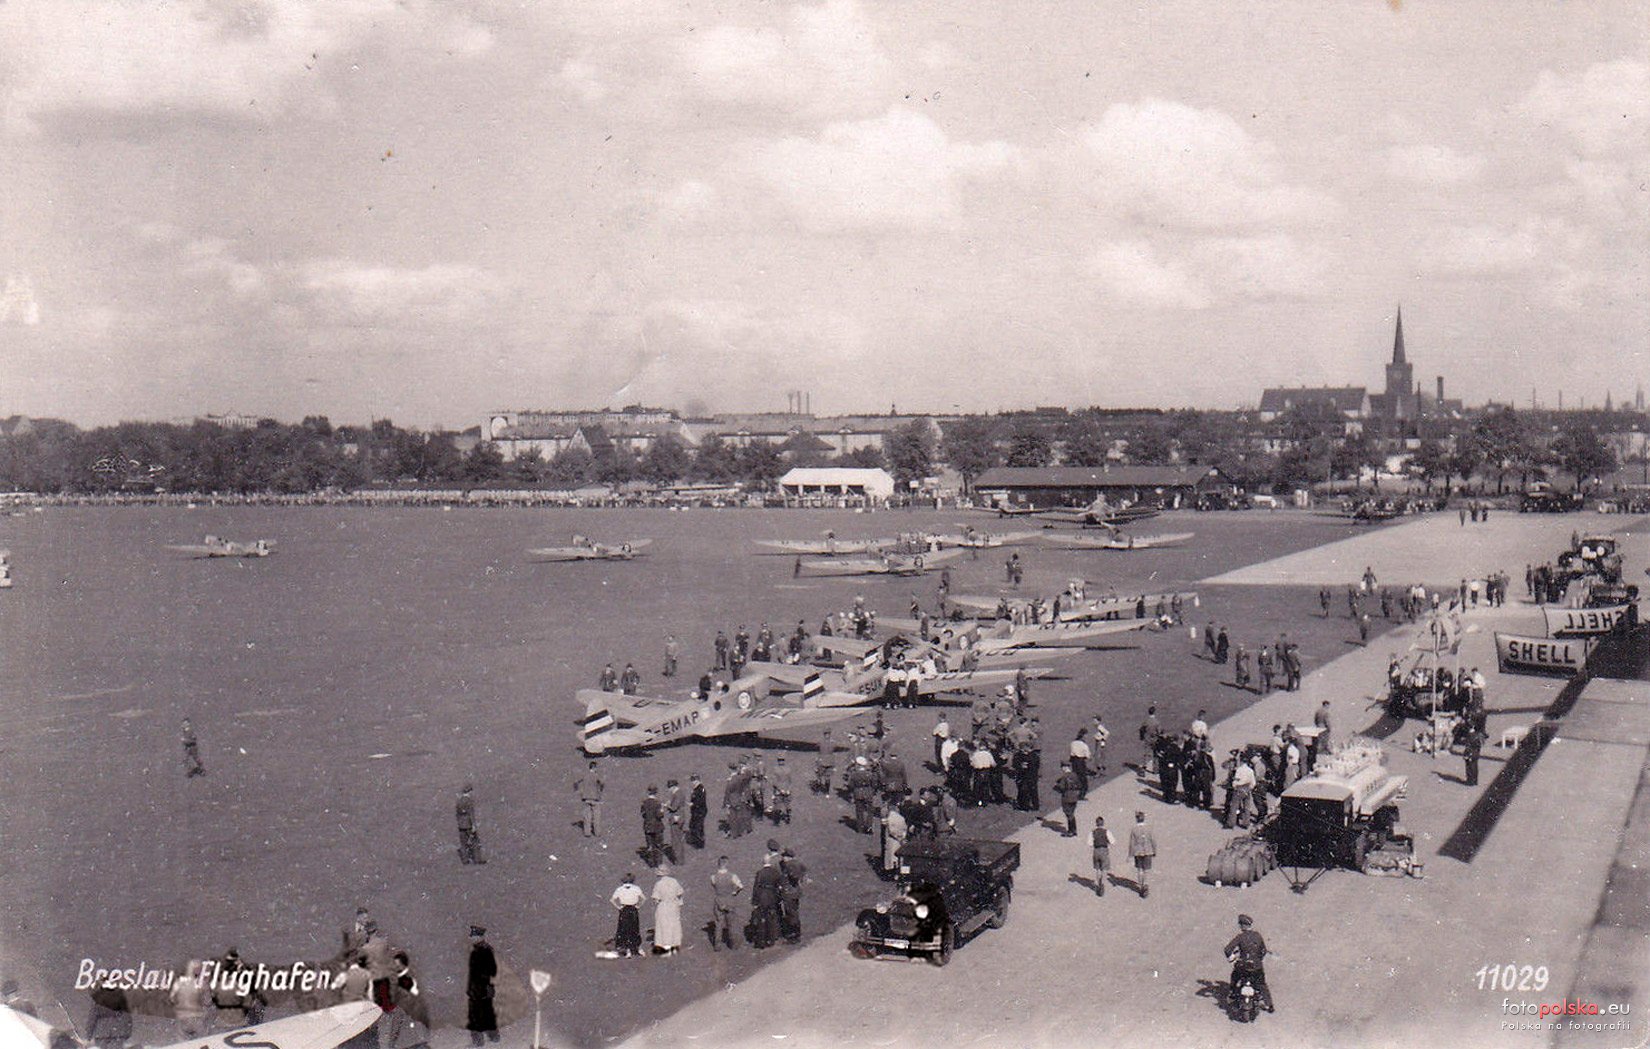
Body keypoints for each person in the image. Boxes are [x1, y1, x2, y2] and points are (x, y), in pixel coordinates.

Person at [1225, 914, 1275, 1014]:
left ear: (1243, 926)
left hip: (1243, 967)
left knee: (1235, 977)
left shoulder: (1240, 937)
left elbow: (1227, 949)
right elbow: (1263, 951)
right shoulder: (1258, 936)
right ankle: (1269, 1005)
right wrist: (1258, 960)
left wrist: (1232, 959)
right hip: (1256, 967)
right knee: (1262, 984)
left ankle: (1232, 994)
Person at [465, 926, 501, 1044]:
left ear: (479, 937)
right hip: (480, 988)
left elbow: (492, 970)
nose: (472, 938)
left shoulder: (484, 950)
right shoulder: (479, 950)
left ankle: (480, 1040)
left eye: (473, 936)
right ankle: (490, 1038)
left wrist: (480, 981)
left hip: (482, 988)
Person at [169, 960, 213, 1041]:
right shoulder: (202, 984)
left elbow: (172, 999)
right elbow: (208, 1002)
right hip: (198, 1017)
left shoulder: (178, 983)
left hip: (182, 1018)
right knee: (203, 1041)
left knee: (183, 1043)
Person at [709, 856, 744, 951]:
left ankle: (717, 944)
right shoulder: (732, 876)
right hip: (729, 900)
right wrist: (734, 892)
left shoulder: (713, 877)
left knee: (718, 923)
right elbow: (741, 886)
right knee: (731, 923)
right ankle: (733, 944)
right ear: (726, 864)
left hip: (719, 900)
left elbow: (714, 886)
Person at [750, 856, 783, 949]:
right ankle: (771, 939)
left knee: (762, 919)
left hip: (762, 897)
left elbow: (756, 887)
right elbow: (779, 885)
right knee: (772, 917)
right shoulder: (775, 872)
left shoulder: (760, 873)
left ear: (763, 862)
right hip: (772, 896)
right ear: (770, 862)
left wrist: (754, 901)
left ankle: (761, 940)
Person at [650, 865, 684, 955]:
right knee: (674, 923)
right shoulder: (674, 881)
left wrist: (658, 901)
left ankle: (665, 946)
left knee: (663, 924)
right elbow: (680, 893)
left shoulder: (659, 884)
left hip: (663, 906)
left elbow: (656, 898)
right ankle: (675, 944)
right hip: (673, 905)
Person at [610, 876, 645, 958]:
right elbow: (643, 898)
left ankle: (625, 947)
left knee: (623, 928)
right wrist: (638, 906)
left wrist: (618, 907)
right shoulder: (636, 888)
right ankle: (636, 947)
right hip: (633, 909)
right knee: (635, 928)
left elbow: (612, 900)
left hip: (624, 909)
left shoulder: (619, 889)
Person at [778, 848, 807, 943]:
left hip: (789, 893)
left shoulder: (789, 865)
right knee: (794, 913)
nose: (783, 858)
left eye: (784, 856)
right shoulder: (798, 863)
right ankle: (795, 933)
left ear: (787, 857)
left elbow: (793, 876)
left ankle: (794, 936)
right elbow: (804, 869)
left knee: (791, 914)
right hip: (795, 892)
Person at [1128, 811, 1156, 898]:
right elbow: (1153, 841)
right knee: (1146, 869)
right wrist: (1154, 850)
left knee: (1140, 869)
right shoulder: (1149, 828)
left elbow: (1132, 843)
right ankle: (1145, 884)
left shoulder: (1134, 829)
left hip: (1138, 852)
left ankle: (1140, 885)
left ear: (1136, 819)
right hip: (1148, 851)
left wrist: (1130, 854)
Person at [1053, 761, 1082, 837]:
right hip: (1074, 796)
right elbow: (1079, 785)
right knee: (1072, 813)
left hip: (1067, 796)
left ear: (1065, 767)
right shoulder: (1074, 775)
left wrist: (1056, 786)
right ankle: (1074, 830)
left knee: (1068, 814)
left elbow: (1062, 787)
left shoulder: (1064, 777)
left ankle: (1071, 830)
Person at [456, 783, 484, 864]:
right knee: (475, 842)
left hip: (461, 825)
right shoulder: (469, 801)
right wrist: (473, 825)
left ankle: (465, 860)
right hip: (468, 824)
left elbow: (457, 813)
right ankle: (477, 859)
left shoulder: (459, 801)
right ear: (470, 791)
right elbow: (471, 813)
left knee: (463, 843)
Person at [576, 762, 603, 837]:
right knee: (596, 816)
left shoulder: (585, 775)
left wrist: (578, 791)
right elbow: (602, 783)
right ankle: (597, 832)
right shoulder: (596, 775)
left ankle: (587, 832)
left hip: (586, 798)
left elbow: (576, 782)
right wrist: (600, 791)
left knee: (587, 816)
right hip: (595, 798)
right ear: (594, 768)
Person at [640, 786, 665, 868]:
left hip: (647, 826)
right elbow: (659, 815)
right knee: (658, 845)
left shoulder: (644, 802)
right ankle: (659, 863)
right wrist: (662, 811)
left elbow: (643, 814)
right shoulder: (658, 803)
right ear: (656, 793)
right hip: (657, 826)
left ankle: (651, 863)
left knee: (650, 845)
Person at [1091, 816, 1115, 897]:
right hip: (1104, 850)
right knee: (1104, 869)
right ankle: (1103, 884)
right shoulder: (1106, 832)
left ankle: (1098, 884)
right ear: (1103, 823)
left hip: (1096, 850)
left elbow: (1089, 843)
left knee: (1097, 869)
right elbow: (1113, 841)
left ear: (1096, 824)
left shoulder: (1093, 832)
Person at [881, 800, 907, 874]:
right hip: (899, 840)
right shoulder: (901, 818)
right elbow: (905, 828)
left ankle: (890, 872)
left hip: (892, 840)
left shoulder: (889, 818)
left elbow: (890, 830)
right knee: (897, 857)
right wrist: (902, 837)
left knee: (891, 857)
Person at [665, 780, 687, 862]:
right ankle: (680, 859)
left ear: (673, 787)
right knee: (679, 838)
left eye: (669, 788)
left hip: (676, 818)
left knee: (676, 840)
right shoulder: (680, 792)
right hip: (681, 817)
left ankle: (678, 860)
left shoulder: (677, 794)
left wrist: (667, 805)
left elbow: (674, 808)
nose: (669, 790)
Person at [1069, 730, 1092, 799]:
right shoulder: (1084, 745)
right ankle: (1081, 795)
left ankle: (1074, 793)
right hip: (1081, 762)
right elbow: (1088, 756)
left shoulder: (1073, 743)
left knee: (1076, 778)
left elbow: (1072, 753)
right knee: (1083, 779)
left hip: (1074, 762)